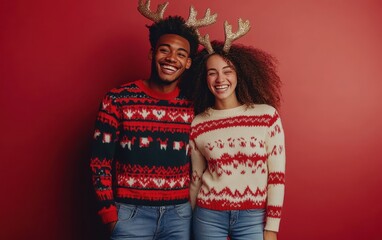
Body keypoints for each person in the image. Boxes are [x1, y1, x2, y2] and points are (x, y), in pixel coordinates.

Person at [89, 1, 216, 239]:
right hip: (129, 215)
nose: (171, 58)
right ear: (152, 53)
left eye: (181, 54)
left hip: (179, 216)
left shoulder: (194, 106)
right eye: (164, 49)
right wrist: (109, 214)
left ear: (188, 63)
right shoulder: (117, 100)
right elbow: (99, 162)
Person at [189, 30, 286, 239]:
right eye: (212, 72)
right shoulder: (198, 123)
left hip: (253, 218)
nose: (220, 78)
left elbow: (276, 178)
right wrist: (188, 222)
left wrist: (271, 229)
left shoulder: (267, 116)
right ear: (204, 78)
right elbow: (196, 178)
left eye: (227, 71)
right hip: (207, 216)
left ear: (240, 74)